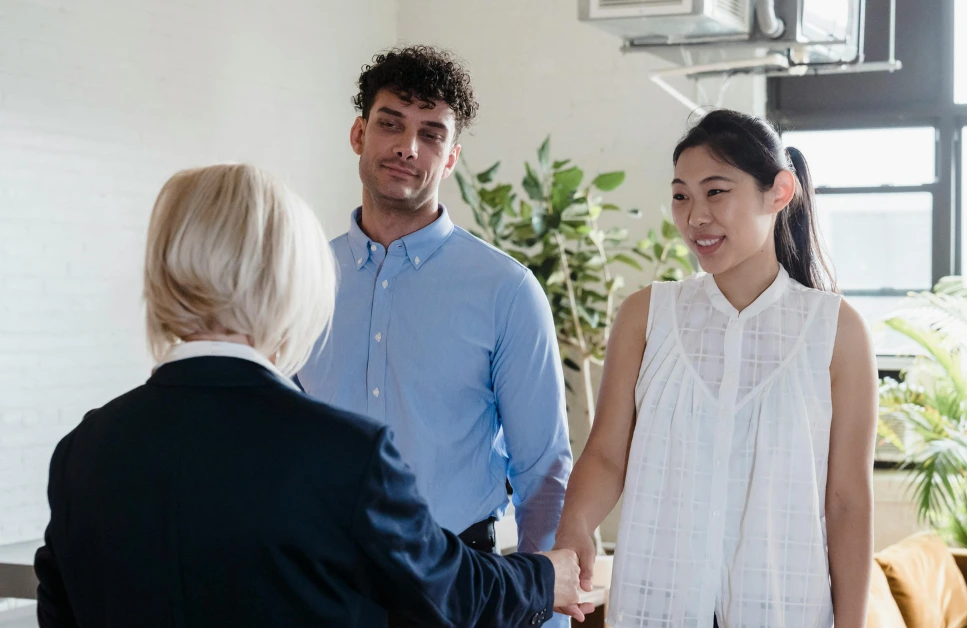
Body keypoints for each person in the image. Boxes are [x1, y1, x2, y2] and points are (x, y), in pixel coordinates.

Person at [33, 164, 590, 627]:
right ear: (294, 282)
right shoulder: (345, 454)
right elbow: (445, 593)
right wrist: (547, 577)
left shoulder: (84, 451)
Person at [554, 109, 878, 627]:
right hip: (656, 605)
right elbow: (607, 455)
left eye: (716, 192)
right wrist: (573, 531)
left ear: (778, 191)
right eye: (681, 195)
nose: (694, 216)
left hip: (783, 609)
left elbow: (847, 503)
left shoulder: (837, 332)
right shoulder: (646, 315)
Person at [294, 45, 574, 621]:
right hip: (321, 583)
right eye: (390, 124)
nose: (407, 147)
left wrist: (540, 611)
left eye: (431, 134)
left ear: (450, 158)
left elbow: (542, 472)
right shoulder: (300, 280)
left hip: (455, 590)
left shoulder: (507, 291)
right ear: (358, 133)